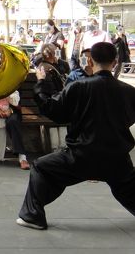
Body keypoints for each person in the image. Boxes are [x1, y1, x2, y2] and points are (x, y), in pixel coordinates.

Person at [17, 42, 135, 230]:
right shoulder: (129, 91)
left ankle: (32, 215)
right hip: (117, 158)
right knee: (128, 189)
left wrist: (41, 83)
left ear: (89, 60)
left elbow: (53, 111)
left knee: (41, 167)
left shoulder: (78, 87)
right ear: (115, 61)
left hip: (80, 155)